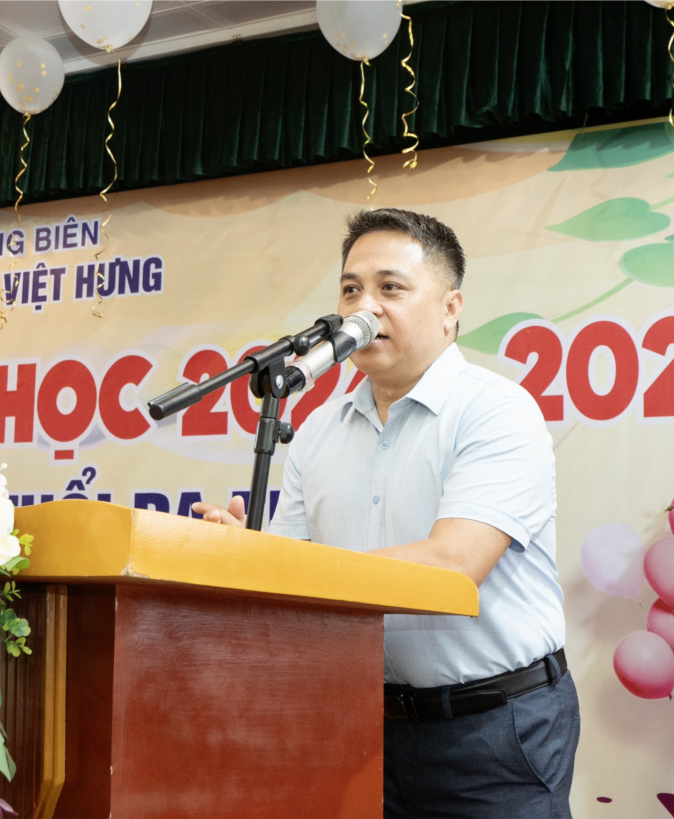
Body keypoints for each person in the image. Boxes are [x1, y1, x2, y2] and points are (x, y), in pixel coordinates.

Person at [192, 208, 578, 818]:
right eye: (351, 290)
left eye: (390, 288)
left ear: (450, 309)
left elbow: (453, 566)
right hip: (360, 725)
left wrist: (290, 568)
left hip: (493, 728)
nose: (364, 309)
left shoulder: (497, 411)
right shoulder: (316, 431)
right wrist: (252, 556)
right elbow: (293, 580)